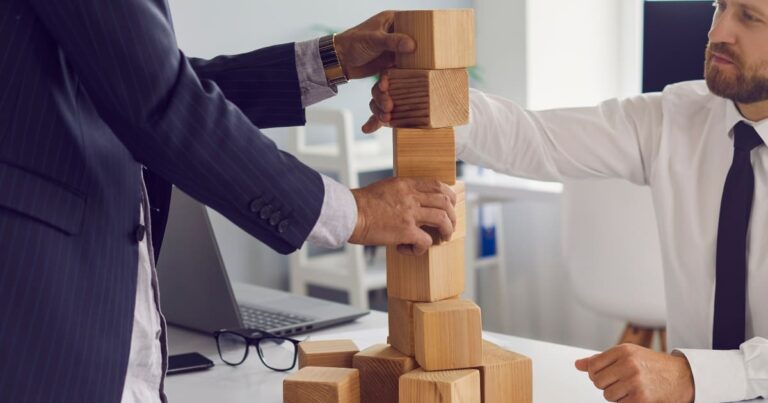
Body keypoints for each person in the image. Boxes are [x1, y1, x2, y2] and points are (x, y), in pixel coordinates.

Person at [0, 1, 459, 402]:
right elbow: (157, 99)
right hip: (39, 307)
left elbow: (143, 79)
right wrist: (358, 213)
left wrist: (328, 60)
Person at [367, 0, 768, 401]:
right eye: (720, 6)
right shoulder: (675, 117)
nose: (717, 32)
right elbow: (534, 138)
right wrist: (430, 102)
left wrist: (694, 376)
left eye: (749, 18)